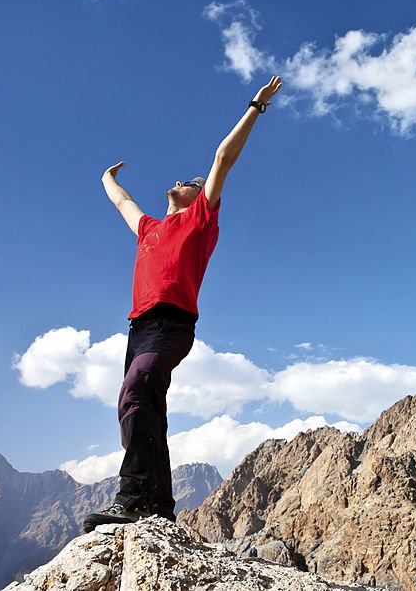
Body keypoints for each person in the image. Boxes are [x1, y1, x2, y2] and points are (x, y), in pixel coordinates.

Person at [82, 75, 283, 532]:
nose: (182, 182)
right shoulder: (150, 228)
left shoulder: (201, 219)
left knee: (135, 392)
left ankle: (131, 496)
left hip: (172, 325)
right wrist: (105, 179)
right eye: (183, 181)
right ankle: (158, 504)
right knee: (146, 405)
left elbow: (222, 158)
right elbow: (122, 203)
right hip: (138, 328)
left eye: (191, 182)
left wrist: (256, 106)